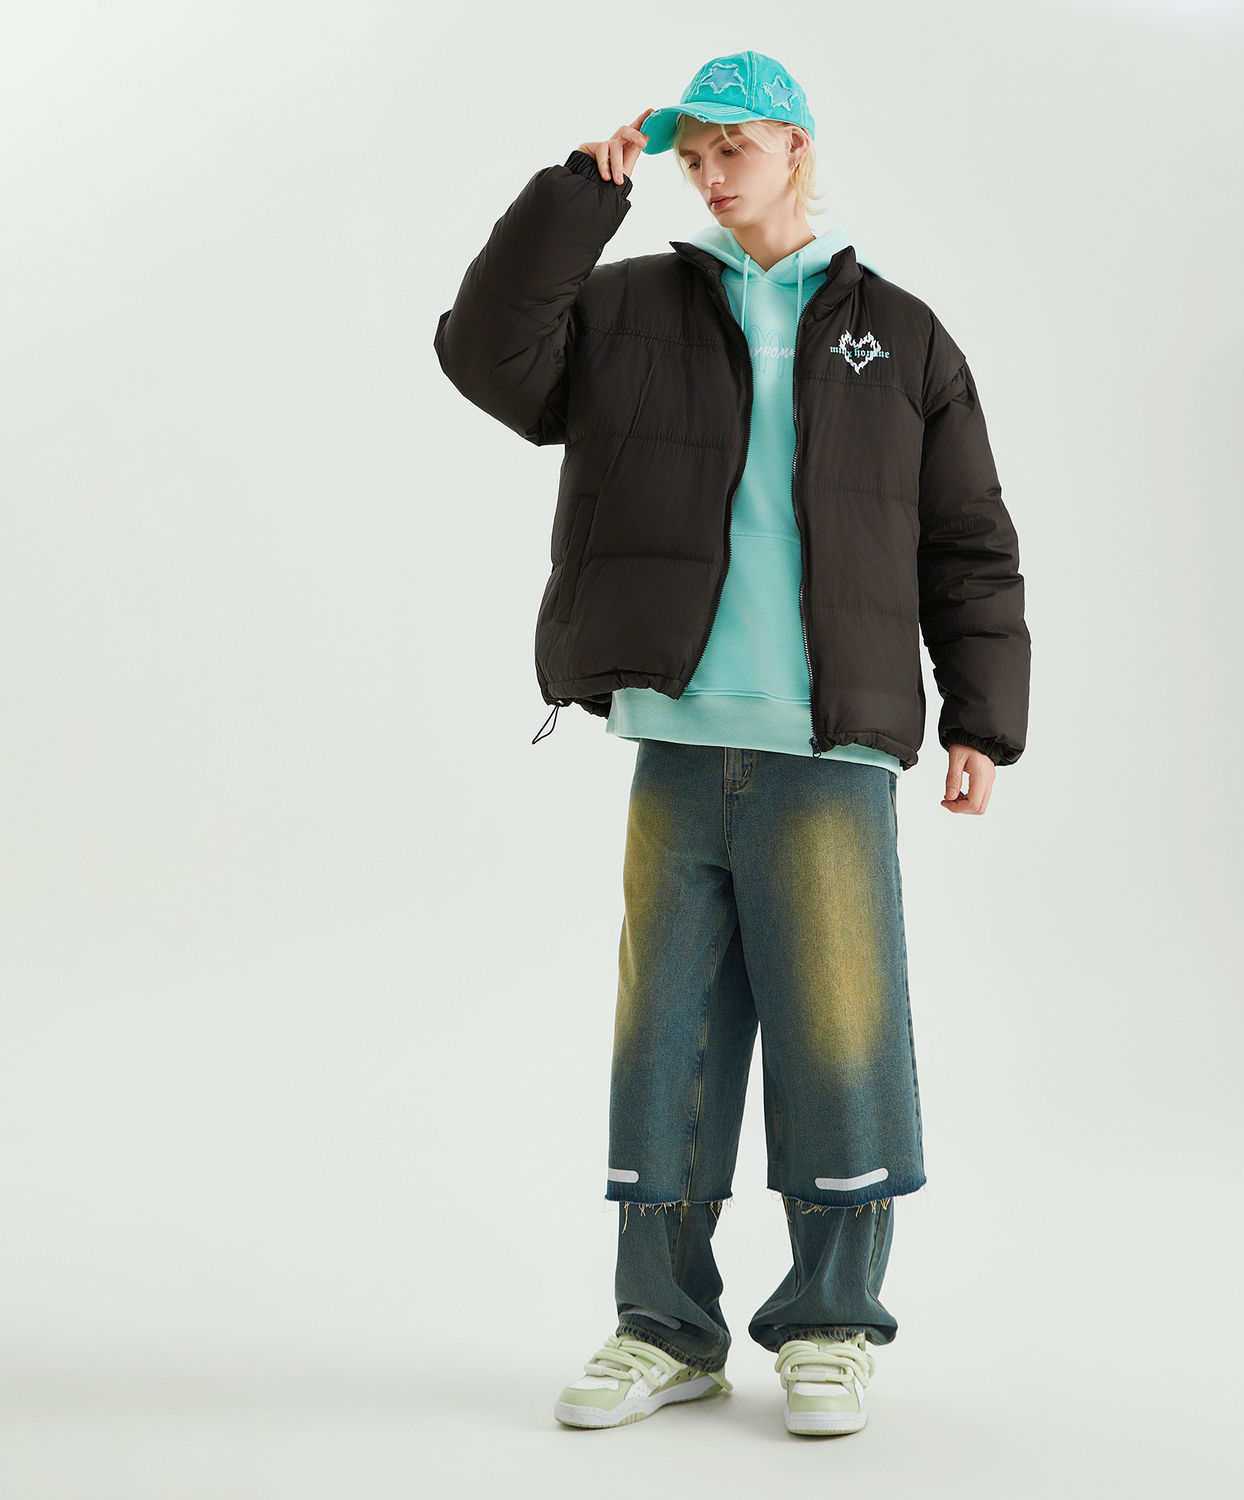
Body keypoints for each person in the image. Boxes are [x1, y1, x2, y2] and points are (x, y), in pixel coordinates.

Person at [433, 50, 1028, 1438]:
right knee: (669, 1043)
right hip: (676, 732)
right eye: (692, 155)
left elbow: (967, 539)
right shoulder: (628, 305)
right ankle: (663, 1328)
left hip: (828, 746)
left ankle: (831, 1325)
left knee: (838, 1037)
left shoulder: (903, 335)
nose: (708, 176)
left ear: (797, 149)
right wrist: (575, 202)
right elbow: (484, 358)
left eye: (733, 150)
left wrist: (983, 717)